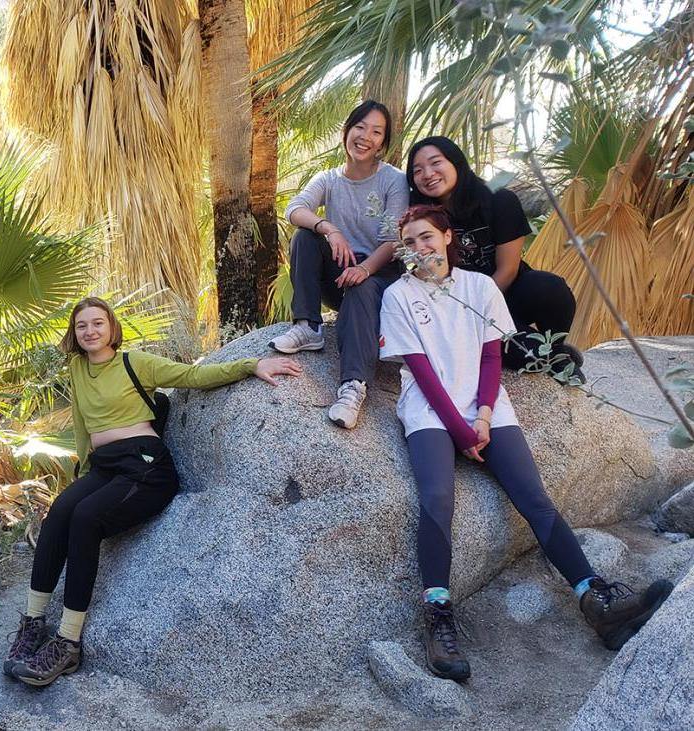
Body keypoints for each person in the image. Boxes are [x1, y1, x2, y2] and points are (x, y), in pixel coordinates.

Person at [379, 205, 672, 682]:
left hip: (488, 409)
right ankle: (437, 614)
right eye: (410, 242)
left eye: (427, 237)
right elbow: (424, 373)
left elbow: (492, 359)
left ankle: (596, 599)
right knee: (436, 499)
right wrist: (459, 429)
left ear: (448, 237)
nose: (420, 248)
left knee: (534, 498)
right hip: (431, 412)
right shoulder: (398, 296)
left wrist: (485, 416)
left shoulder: (479, 287)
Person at [3, 297, 303, 687]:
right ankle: (33, 623)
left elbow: (193, 377)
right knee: (60, 511)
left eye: (98, 323)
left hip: (146, 466)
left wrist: (252, 365)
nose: (90, 331)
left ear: (111, 327)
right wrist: (83, 471)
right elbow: (81, 423)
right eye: (82, 326)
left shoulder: (135, 362)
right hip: (105, 466)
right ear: (74, 334)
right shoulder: (77, 367)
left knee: (86, 518)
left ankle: (68, 642)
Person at [270, 100, 409, 430]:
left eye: (376, 132)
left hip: (381, 275)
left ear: (383, 143)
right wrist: (328, 228)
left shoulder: (394, 180)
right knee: (305, 236)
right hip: (340, 271)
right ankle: (308, 326)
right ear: (347, 131)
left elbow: (394, 240)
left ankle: (352, 387)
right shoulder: (329, 179)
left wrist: (365, 269)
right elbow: (295, 209)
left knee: (363, 284)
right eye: (360, 127)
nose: (365, 137)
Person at [405, 136, 583, 382]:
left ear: (456, 162)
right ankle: (542, 352)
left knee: (550, 288)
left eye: (436, 163)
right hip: (458, 306)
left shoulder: (499, 200)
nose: (428, 174)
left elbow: (508, 269)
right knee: (525, 358)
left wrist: (478, 310)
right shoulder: (420, 219)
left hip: (507, 292)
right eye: (417, 170)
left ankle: (557, 348)